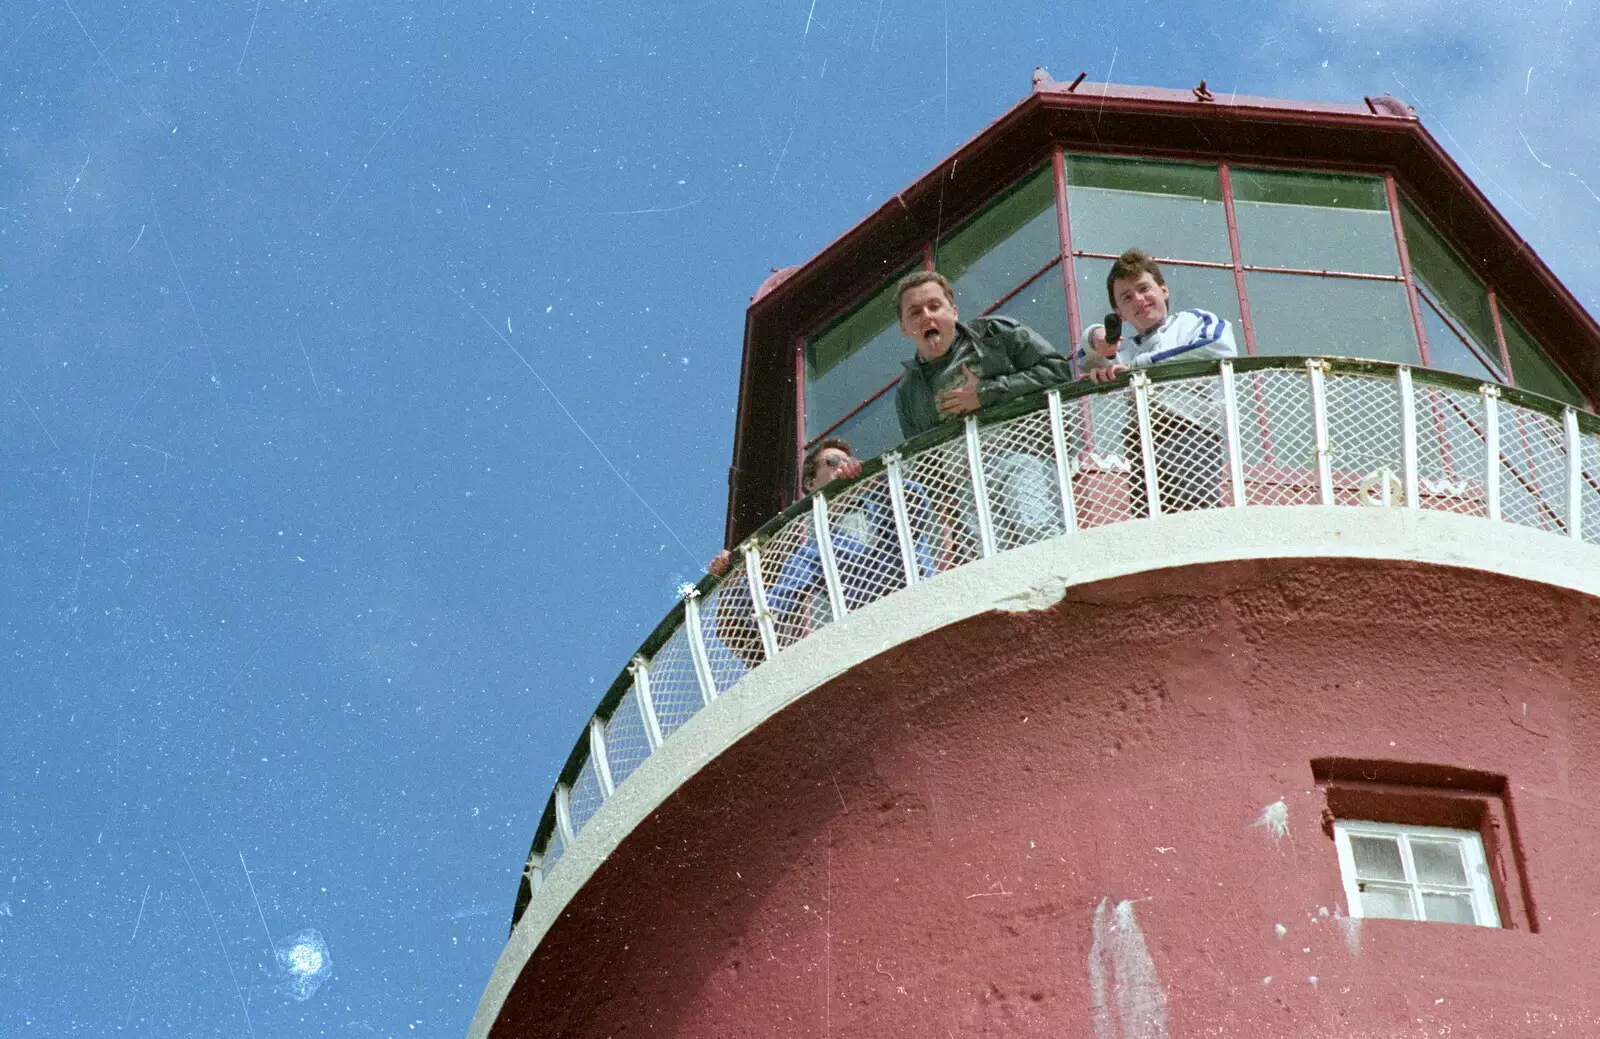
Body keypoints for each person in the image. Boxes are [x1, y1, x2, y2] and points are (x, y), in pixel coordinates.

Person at [709, 438, 935, 646]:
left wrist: (874, 479)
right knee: (811, 557)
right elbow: (757, 612)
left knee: (817, 554)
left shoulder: (878, 499)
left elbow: (918, 509)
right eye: (833, 461)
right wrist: (735, 573)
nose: (843, 466)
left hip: (916, 592)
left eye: (849, 461)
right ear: (810, 482)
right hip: (873, 619)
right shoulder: (813, 548)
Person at [1077, 248, 1238, 513]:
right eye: (1127, 297)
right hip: (1141, 446)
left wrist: (1138, 367)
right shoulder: (1125, 349)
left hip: (1191, 432)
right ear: (1119, 312)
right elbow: (1083, 360)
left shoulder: (1191, 322)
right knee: (1152, 529)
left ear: (1163, 290)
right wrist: (1096, 338)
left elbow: (1217, 343)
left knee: (1195, 516)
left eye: (1144, 289)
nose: (1139, 300)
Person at [893, 271, 1074, 440]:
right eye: (915, 312)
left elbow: (1057, 371)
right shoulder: (907, 392)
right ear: (903, 328)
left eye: (934, 306)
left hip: (1022, 453)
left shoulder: (994, 333)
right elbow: (919, 459)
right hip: (959, 472)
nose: (927, 316)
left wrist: (985, 394)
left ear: (954, 312)